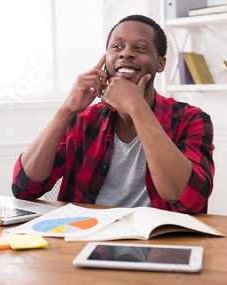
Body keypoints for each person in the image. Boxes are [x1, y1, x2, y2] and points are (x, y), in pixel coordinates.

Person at [12, 14, 214, 214]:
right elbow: (24, 188)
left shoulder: (191, 120)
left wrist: (137, 107)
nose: (126, 54)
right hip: (85, 234)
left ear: (160, 63)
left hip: (157, 241)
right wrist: (66, 110)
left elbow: (191, 201)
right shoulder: (83, 120)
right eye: (117, 47)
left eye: (140, 48)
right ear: (106, 59)